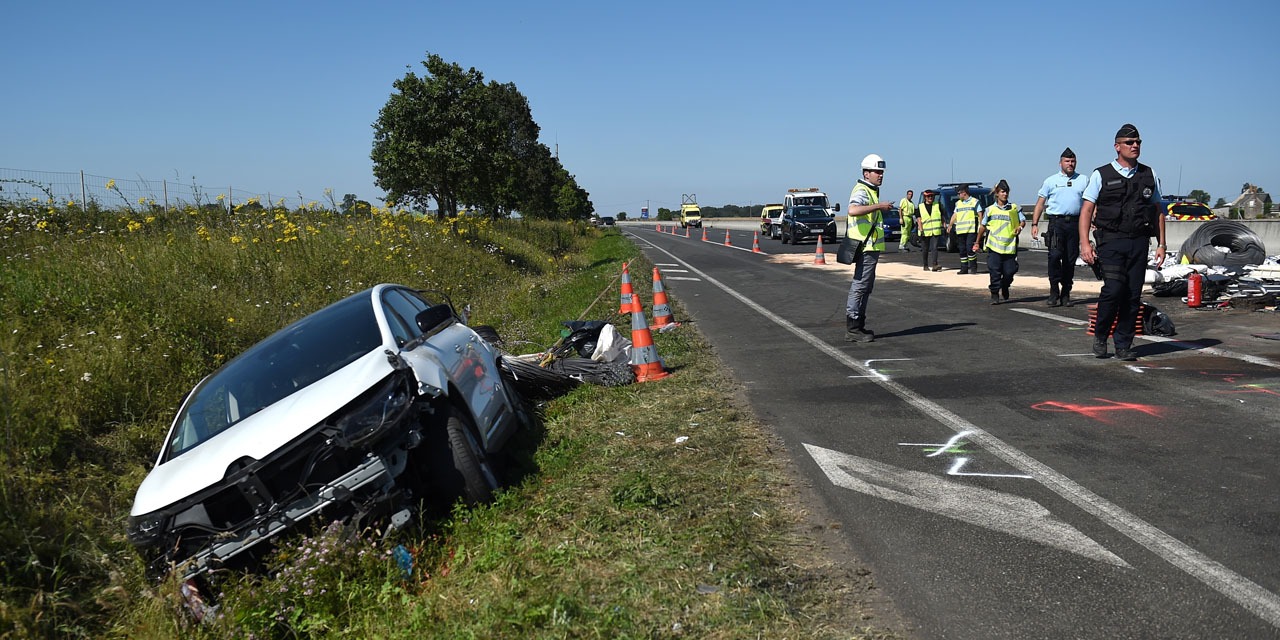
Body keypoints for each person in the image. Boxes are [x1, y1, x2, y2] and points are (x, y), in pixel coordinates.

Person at [1079, 124, 1168, 361]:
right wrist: (1085, 243)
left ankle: (1123, 344)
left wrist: (1162, 244)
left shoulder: (1149, 174)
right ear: (1117, 146)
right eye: (1129, 143)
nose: (1135, 146)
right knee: (1113, 290)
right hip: (1111, 241)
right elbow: (1087, 210)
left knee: (1132, 295)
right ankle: (1101, 335)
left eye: (1138, 142)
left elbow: (1158, 210)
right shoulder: (1102, 174)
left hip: (1139, 241)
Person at [844, 153, 893, 343]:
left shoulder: (871, 190)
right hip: (865, 246)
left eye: (881, 172)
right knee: (860, 286)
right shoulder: (862, 190)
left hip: (870, 247)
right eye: (876, 172)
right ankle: (853, 327)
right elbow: (853, 209)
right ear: (866, 173)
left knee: (866, 286)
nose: (880, 175)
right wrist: (879, 206)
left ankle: (858, 325)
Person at [1030, 147, 1087, 307]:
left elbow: (1090, 203)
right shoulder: (1050, 181)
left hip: (1075, 224)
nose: (1071, 164)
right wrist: (1034, 224)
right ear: (1060, 163)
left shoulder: (1083, 179)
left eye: (1073, 161)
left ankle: (1066, 293)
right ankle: (1054, 290)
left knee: (1070, 260)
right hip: (1056, 224)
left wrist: (1093, 221)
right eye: (1067, 161)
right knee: (1054, 256)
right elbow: (1040, 203)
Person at [973, 179, 1024, 304]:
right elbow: (983, 226)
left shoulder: (1014, 208)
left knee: (1010, 271)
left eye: (1006, 192)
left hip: (1009, 247)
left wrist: (1020, 227)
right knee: (994, 271)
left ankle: (1005, 285)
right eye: (1002, 192)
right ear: (997, 193)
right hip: (994, 247)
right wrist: (977, 242)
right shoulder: (990, 210)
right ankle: (995, 293)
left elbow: (1022, 221)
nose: (1005, 194)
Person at [947, 184, 981, 274]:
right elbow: (955, 215)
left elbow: (980, 214)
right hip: (960, 230)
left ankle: (973, 267)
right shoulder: (958, 203)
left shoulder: (974, 202)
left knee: (970, 249)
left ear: (964, 193)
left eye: (959, 193)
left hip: (971, 230)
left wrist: (981, 226)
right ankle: (964, 268)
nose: (958, 196)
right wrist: (950, 225)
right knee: (962, 250)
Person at [917, 189, 944, 271]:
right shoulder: (920, 207)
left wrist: (945, 225)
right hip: (924, 231)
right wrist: (921, 229)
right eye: (928, 196)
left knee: (935, 248)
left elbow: (942, 216)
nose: (931, 198)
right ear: (925, 197)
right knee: (925, 249)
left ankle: (934, 265)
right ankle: (925, 265)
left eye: (932, 196)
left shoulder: (938, 205)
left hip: (935, 231)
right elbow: (919, 219)